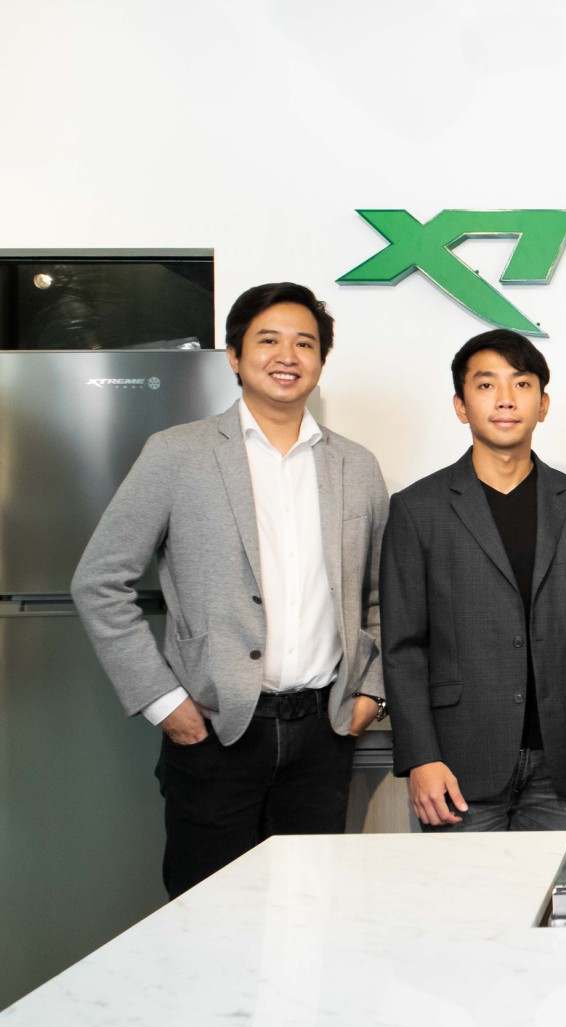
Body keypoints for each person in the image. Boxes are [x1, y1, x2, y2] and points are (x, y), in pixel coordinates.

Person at [71, 282, 387, 897]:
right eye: (268, 340)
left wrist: (371, 692)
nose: (287, 356)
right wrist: (163, 701)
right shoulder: (177, 454)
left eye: (305, 343)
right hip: (214, 732)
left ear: (321, 361)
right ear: (235, 356)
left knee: (309, 912)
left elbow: (381, 594)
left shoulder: (357, 465)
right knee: (205, 915)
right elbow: (99, 581)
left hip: (323, 733)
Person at [380, 329, 566, 830]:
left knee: (562, 885)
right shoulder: (417, 510)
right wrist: (421, 757)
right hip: (455, 764)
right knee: (462, 887)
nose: (506, 399)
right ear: (460, 406)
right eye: (486, 385)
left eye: (522, 384)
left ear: (543, 404)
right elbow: (403, 647)